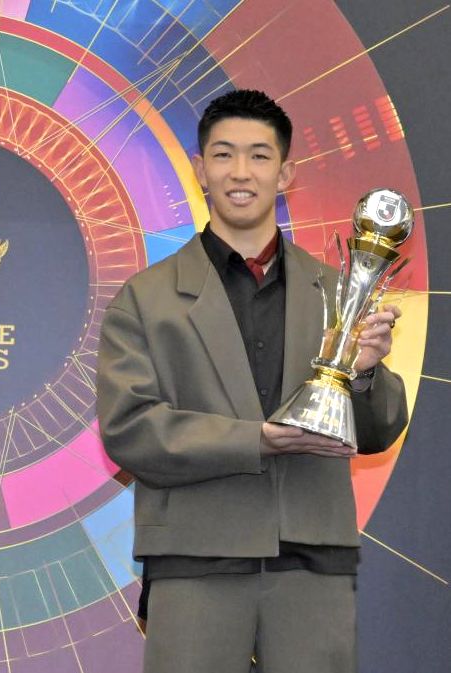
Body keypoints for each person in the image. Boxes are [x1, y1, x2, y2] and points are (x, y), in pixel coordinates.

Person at [96, 89, 408, 673]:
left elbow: (377, 432)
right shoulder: (145, 299)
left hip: (313, 562)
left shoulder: (338, 291)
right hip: (195, 560)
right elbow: (130, 432)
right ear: (200, 170)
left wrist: (364, 375)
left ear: (285, 173)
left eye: (260, 155)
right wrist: (256, 439)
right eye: (224, 154)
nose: (241, 172)